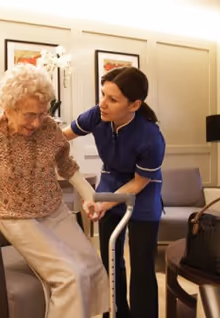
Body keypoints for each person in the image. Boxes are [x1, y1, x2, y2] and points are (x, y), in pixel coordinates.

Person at [0, 63, 110, 318]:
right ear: (8, 108)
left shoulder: (49, 128)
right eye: (30, 115)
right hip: (15, 216)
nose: (37, 122)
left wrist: (90, 196)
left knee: (93, 266)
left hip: (54, 210)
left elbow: (66, 164)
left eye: (42, 113)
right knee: (69, 275)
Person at [63, 66, 166, 318]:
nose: (103, 104)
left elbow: (139, 183)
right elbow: (61, 137)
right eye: (102, 95)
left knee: (142, 264)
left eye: (112, 99)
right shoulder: (97, 116)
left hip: (143, 189)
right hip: (111, 180)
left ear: (134, 104)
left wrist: (103, 204)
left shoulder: (151, 136)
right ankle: (117, 312)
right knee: (110, 258)